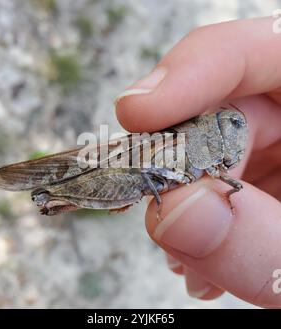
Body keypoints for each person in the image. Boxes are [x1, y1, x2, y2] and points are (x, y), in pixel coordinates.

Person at [115, 17, 281, 308]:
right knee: (140, 171)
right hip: (131, 162)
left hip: (156, 165)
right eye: (226, 127)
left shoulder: (217, 159)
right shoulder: (195, 145)